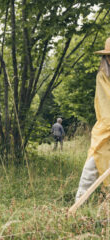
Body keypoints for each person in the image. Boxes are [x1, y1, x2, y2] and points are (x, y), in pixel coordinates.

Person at [75, 37, 110, 202]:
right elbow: (105, 106)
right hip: (105, 128)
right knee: (93, 163)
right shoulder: (102, 77)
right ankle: (79, 203)